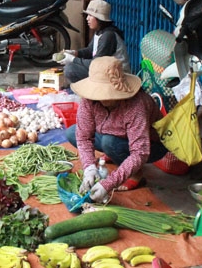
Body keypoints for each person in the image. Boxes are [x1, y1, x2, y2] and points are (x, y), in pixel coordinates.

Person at [65, 56, 167, 202]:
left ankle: (136, 173)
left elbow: (140, 152)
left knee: (109, 142)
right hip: (113, 135)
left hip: (151, 146)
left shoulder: (136, 104)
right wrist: (89, 168)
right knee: (72, 133)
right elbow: (83, 137)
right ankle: (114, 154)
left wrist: (109, 183)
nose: (103, 98)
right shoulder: (89, 100)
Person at [56, 0, 130, 84]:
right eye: (87, 15)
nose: (87, 19)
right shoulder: (99, 32)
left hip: (117, 76)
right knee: (70, 67)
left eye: (90, 16)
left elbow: (97, 63)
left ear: (99, 19)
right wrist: (74, 53)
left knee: (70, 69)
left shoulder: (108, 36)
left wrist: (73, 59)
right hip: (106, 70)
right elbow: (90, 50)